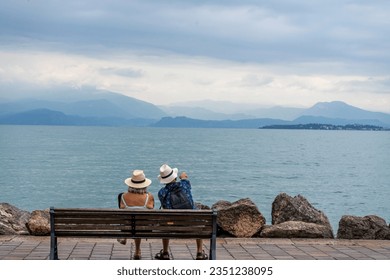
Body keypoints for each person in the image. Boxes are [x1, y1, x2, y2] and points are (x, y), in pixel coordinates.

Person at [154, 163, 208, 260]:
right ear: (174, 177)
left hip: (171, 226)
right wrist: (183, 176)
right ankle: (199, 252)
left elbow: (165, 206)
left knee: (165, 221)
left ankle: (165, 252)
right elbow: (184, 178)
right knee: (197, 215)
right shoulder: (184, 185)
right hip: (192, 224)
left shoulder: (161, 192)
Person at [117, 169, 154, 260]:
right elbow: (152, 208)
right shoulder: (149, 196)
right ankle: (137, 251)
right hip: (144, 229)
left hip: (127, 228)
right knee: (139, 222)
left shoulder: (122, 196)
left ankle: (125, 237)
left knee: (131, 220)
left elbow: (121, 209)